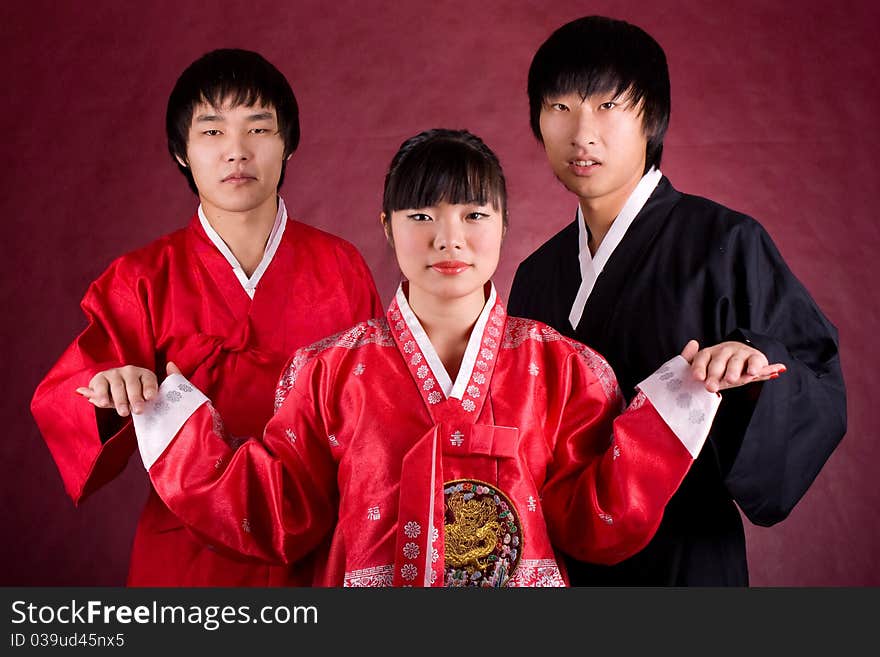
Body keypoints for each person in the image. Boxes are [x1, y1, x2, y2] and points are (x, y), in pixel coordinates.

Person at [129, 129, 782, 586]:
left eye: (474, 213)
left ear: (503, 223)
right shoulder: (330, 371)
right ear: (386, 226)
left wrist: (683, 395)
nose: (449, 238)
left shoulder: (563, 369)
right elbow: (276, 510)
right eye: (420, 215)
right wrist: (167, 412)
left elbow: (595, 518)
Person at [507, 16, 847, 586]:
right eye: (560, 107)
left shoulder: (727, 243)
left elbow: (816, 381)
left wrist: (752, 362)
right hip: (562, 568)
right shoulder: (536, 274)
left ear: (652, 118)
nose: (582, 132)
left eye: (609, 105)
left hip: (684, 564)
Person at [30, 49, 383, 586]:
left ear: (288, 141)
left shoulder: (341, 267)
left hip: (316, 551)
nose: (236, 152)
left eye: (258, 128)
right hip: (186, 554)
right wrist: (113, 391)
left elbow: (380, 412)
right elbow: (70, 394)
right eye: (212, 132)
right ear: (181, 152)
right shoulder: (142, 277)